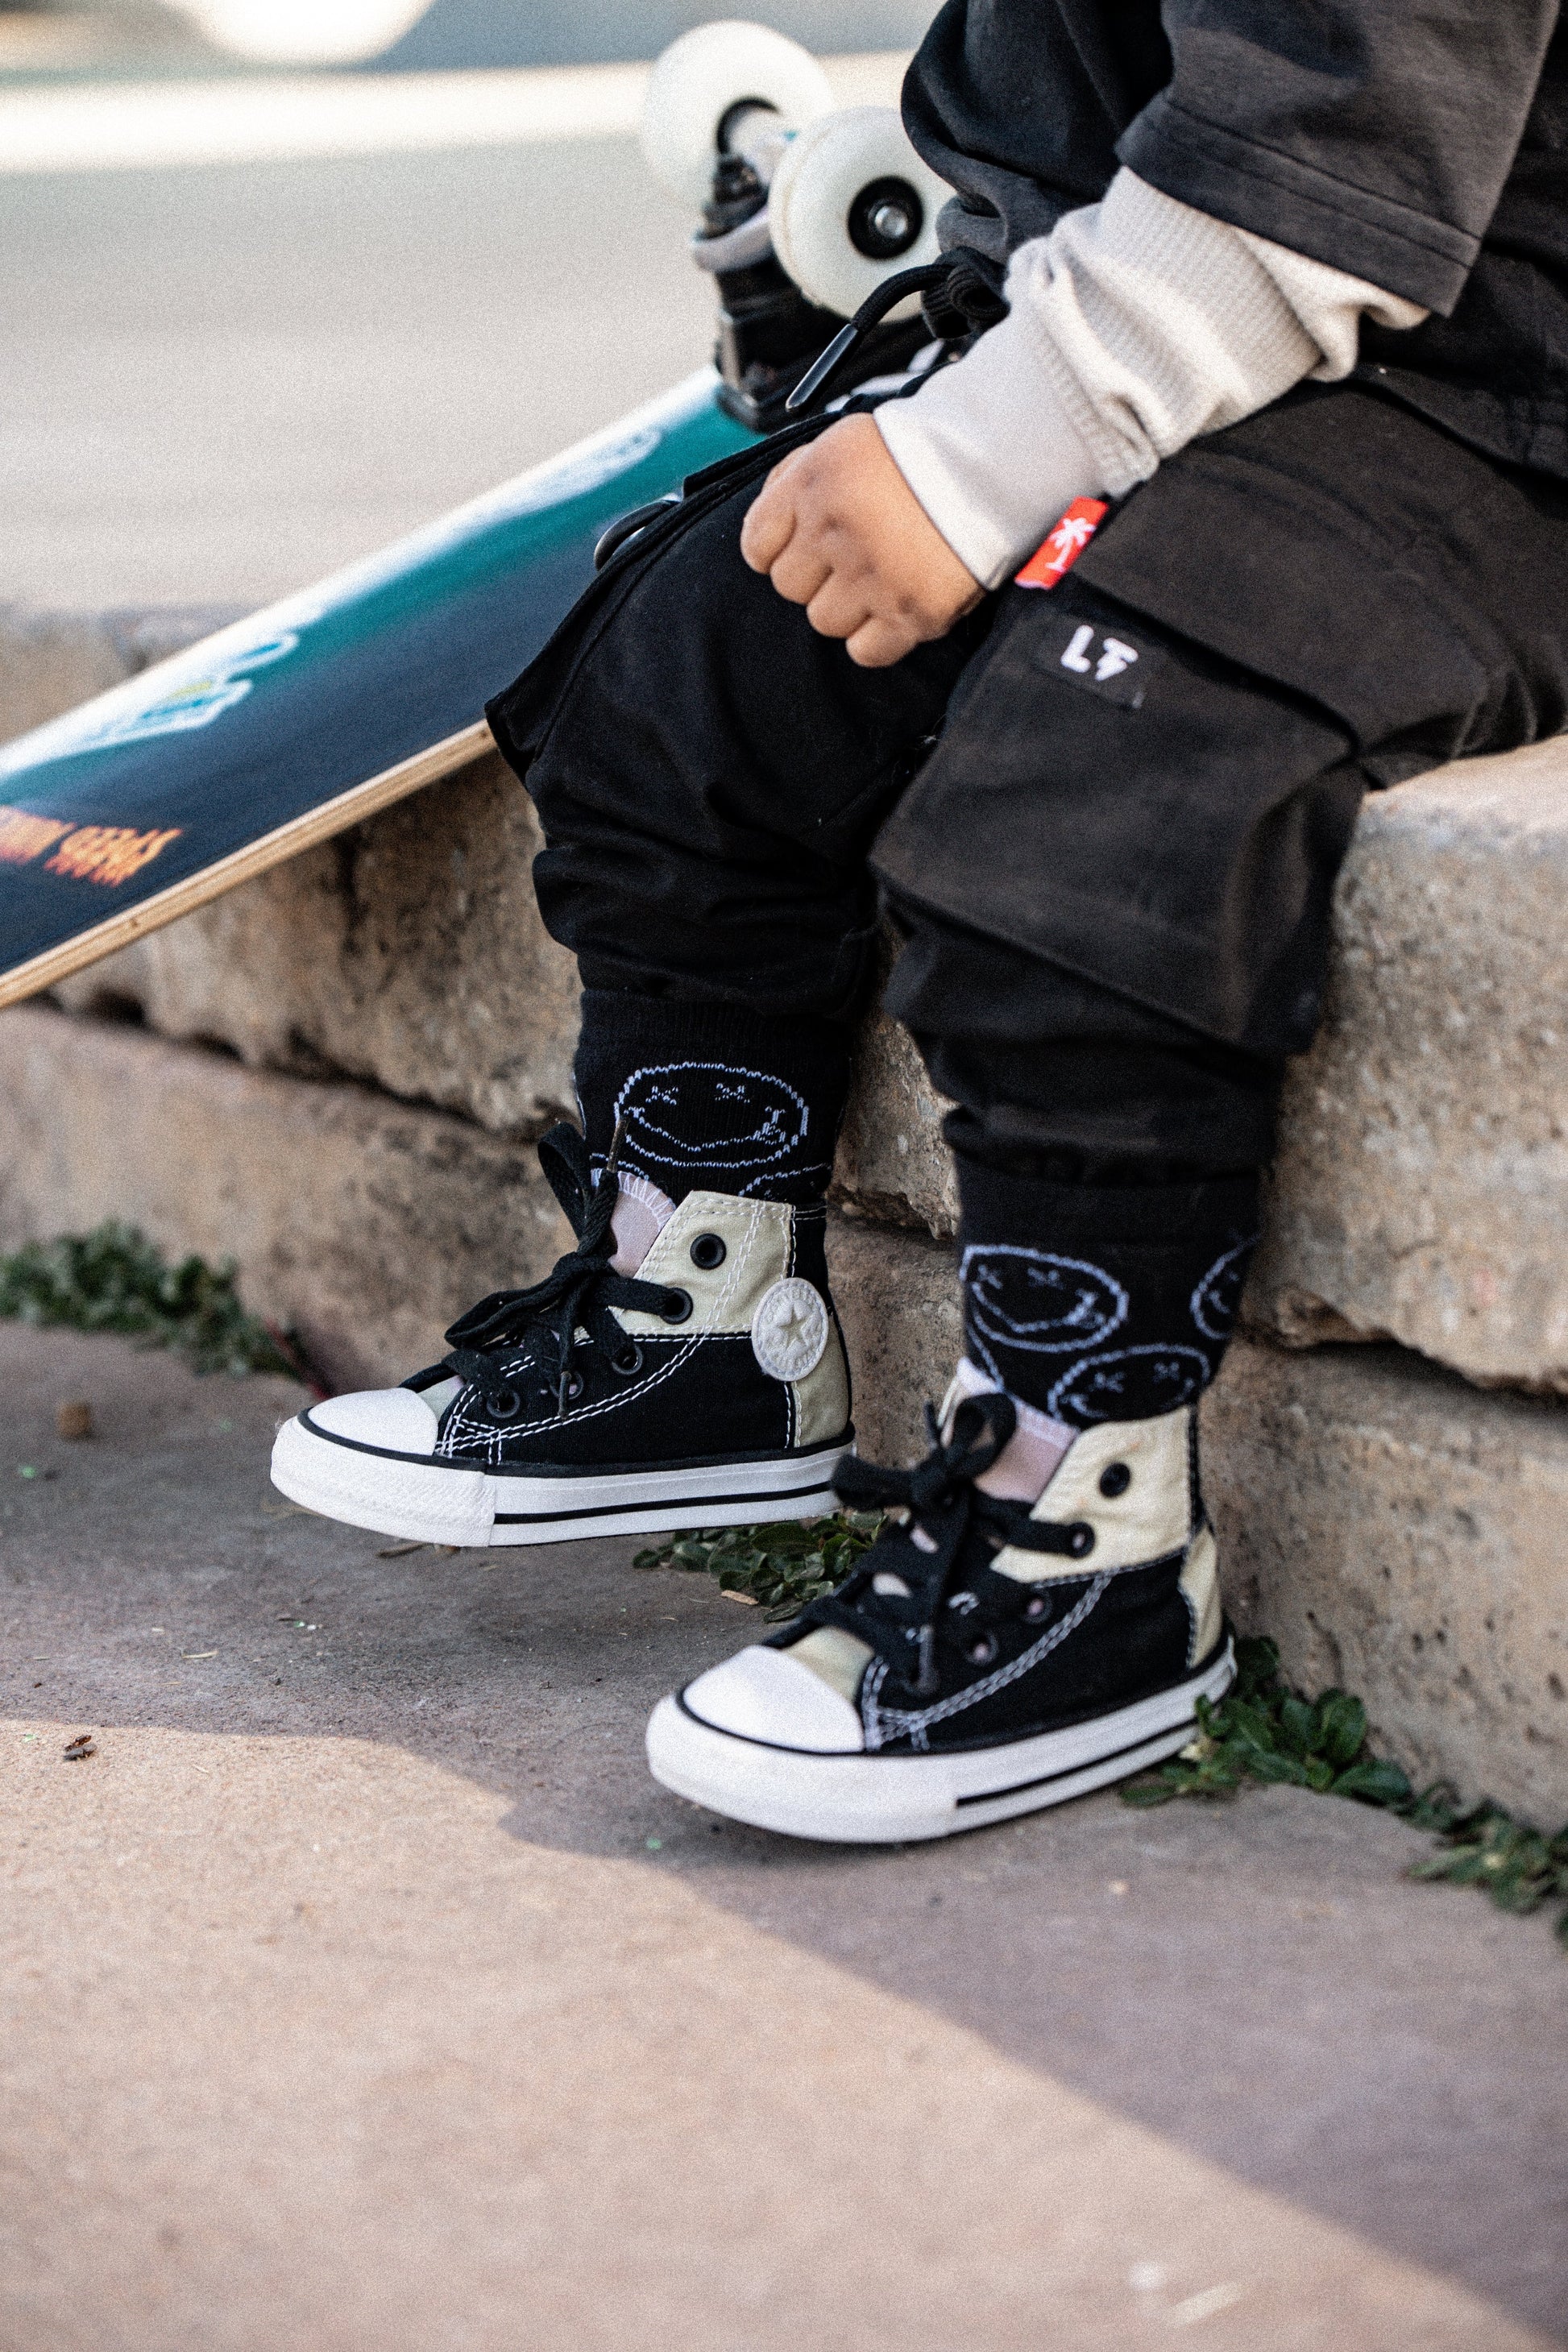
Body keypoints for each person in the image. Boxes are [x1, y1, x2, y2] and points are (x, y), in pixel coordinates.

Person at [272, 0, 1568, 1843]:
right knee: (695, 655)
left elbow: (1340, 141)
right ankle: (706, 1316)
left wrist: (977, 457)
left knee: (1089, 771)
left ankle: (1087, 1540)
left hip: (1488, 409)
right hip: (1198, 337)